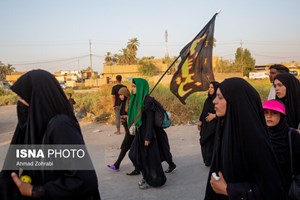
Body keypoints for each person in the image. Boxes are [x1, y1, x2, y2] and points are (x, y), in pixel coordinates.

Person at [0, 70, 101, 200]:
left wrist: (35, 191)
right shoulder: (34, 129)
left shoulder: (60, 127)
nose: (19, 103)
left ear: (38, 98)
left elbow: (84, 180)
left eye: (23, 98)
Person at [204, 77, 286, 199]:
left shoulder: (255, 142)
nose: (214, 101)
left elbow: (272, 191)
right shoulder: (225, 132)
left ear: (236, 102)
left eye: (220, 97)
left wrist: (229, 190)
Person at [128, 78, 176, 190]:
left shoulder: (147, 101)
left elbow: (149, 120)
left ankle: (155, 179)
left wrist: (148, 137)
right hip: (140, 133)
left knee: (150, 159)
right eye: (132, 86)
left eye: (134, 86)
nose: (132, 89)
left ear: (141, 87)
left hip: (148, 134)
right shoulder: (138, 99)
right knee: (134, 155)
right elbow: (139, 117)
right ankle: (146, 176)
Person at [263, 99, 300, 191]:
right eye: (265, 112)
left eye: (274, 112)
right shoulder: (261, 134)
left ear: (282, 116)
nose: (269, 116)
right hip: (267, 187)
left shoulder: (293, 135)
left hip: (288, 187)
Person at [107, 87, 140, 175]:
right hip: (128, 130)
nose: (120, 97)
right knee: (128, 148)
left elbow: (136, 115)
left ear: (125, 95)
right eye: (119, 95)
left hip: (132, 130)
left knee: (125, 147)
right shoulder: (122, 103)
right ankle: (119, 165)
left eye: (121, 95)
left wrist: (127, 117)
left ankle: (118, 165)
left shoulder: (130, 103)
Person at [198, 81, 219, 167]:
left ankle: (213, 161)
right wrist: (200, 121)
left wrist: (214, 116)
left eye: (212, 87)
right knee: (204, 141)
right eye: (209, 87)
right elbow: (204, 111)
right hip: (206, 126)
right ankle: (208, 160)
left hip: (214, 126)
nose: (209, 89)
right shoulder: (208, 100)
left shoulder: (218, 100)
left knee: (211, 142)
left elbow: (225, 112)